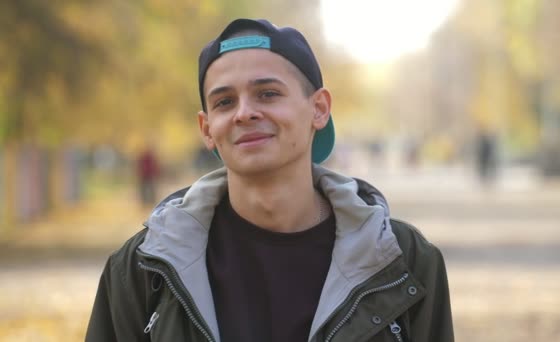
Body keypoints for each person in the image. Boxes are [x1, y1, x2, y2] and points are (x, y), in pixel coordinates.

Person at [86, 18, 453, 342]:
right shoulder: (142, 270)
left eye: (268, 94)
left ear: (319, 109)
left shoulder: (404, 263)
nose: (245, 112)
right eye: (225, 102)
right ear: (207, 129)